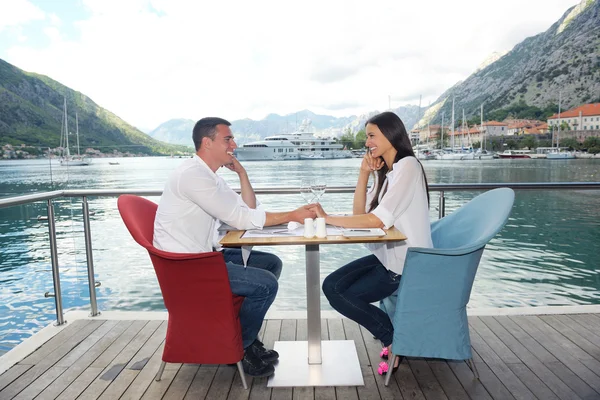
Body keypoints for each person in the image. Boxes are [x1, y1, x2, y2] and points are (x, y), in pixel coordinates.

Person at [153, 117, 316, 378]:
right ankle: (241, 346)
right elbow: (241, 220)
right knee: (266, 284)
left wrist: (242, 173)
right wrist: (292, 215)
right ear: (207, 143)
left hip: (204, 255)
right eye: (227, 139)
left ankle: (241, 338)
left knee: (271, 263)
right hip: (187, 267)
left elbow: (247, 210)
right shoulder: (193, 176)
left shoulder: (210, 177)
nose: (234, 144)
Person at [308, 111, 432, 374]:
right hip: (387, 258)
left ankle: (393, 339)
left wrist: (328, 219)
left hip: (406, 264)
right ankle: (393, 334)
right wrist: (364, 173)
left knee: (338, 293)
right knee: (332, 285)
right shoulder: (391, 172)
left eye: (371, 136)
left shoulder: (408, 166)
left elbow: (376, 221)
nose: (367, 143)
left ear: (390, 134)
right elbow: (359, 216)